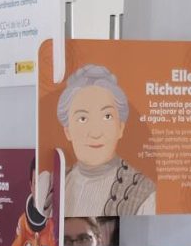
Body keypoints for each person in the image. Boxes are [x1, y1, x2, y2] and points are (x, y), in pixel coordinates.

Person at [53, 65, 158, 217]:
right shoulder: (54, 184)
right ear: (67, 131)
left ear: (120, 127)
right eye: (83, 118)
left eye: (107, 116)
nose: (96, 133)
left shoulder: (143, 192)